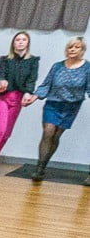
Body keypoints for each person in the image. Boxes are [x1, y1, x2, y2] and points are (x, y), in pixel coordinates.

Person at [0, 31, 39, 177]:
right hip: (2, 98)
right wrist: (1, 82)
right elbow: (1, 74)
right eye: (17, 39)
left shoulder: (33, 61)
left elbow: (31, 80)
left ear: (27, 43)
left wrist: (28, 92)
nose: (20, 42)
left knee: (6, 134)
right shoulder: (5, 59)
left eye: (23, 40)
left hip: (18, 99)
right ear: (13, 43)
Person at [32, 36, 89, 183]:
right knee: (48, 132)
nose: (73, 50)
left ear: (82, 50)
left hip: (71, 106)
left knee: (56, 136)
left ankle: (45, 163)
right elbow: (46, 84)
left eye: (76, 47)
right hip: (53, 104)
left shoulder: (87, 68)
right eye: (70, 47)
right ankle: (39, 168)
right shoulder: (57, 66)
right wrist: (34, 97)